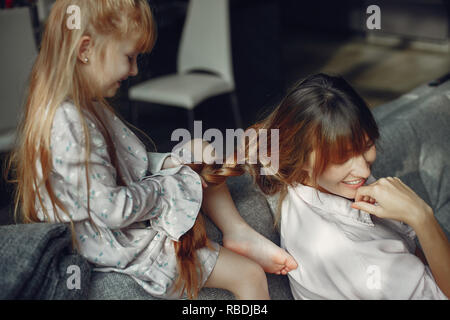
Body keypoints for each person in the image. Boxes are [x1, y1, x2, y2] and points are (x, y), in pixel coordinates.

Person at [6, 0, 297, 299]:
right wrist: (172, 184)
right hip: (114, 242)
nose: (133, 70)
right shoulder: (68, 122)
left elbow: (131, 167)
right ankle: (238, 234)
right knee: (249, 276)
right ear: (85, 50)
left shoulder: (84, 106)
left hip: (120, 222)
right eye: (129, 57)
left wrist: (175, 161)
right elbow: (112, 210)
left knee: (195, 156)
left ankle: (238, 231)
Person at [235, 73, 449, 299]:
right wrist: (422, 217)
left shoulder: (318, 181)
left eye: (367, 146)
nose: (364, 171)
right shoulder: (349, 250)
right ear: (299, 156)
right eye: (341, 158)